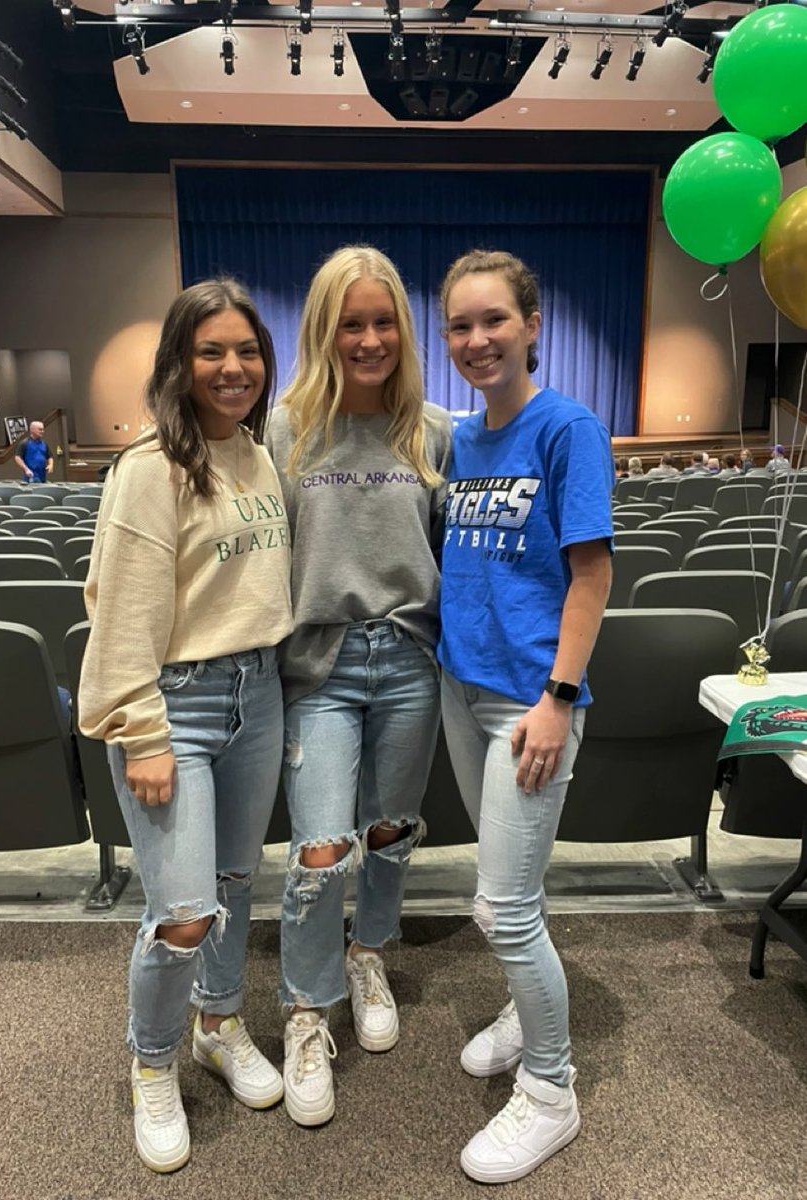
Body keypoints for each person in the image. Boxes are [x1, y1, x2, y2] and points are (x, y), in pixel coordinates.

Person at [78, 279, 294, 1173]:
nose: (232, 367)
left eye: (246, 351)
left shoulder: (257, 454)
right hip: (179, 705)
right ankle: (152, 1062)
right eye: (212, 351)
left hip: (260, 694)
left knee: (236, 885)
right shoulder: (148, 471)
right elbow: (120, 610)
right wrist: (143, 730)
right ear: (179, 362)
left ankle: (219, 1024)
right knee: (180, 913)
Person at [264, 245, 452, 1128]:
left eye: (384, 323)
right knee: (319, 848)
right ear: (324, 330)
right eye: (353, 324)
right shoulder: (286, 428)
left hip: (409, 660)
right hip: (322, 669)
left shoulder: (434, 431)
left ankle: (368, 952)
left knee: (388, 832)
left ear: (402, 332)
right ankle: (307, 1011)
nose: (369, 338)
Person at [437, 250, 613, 1184]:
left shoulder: (567, 427)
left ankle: (552, 1089)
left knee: (500, 906)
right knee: (514, 894)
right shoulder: (463, 440)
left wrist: (557, 698)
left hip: (528, 700)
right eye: (460, 325)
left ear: (533, 324)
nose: (476, 340)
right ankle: (523, 1008)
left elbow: (592, 574)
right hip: (461, 692)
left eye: (494, 320)